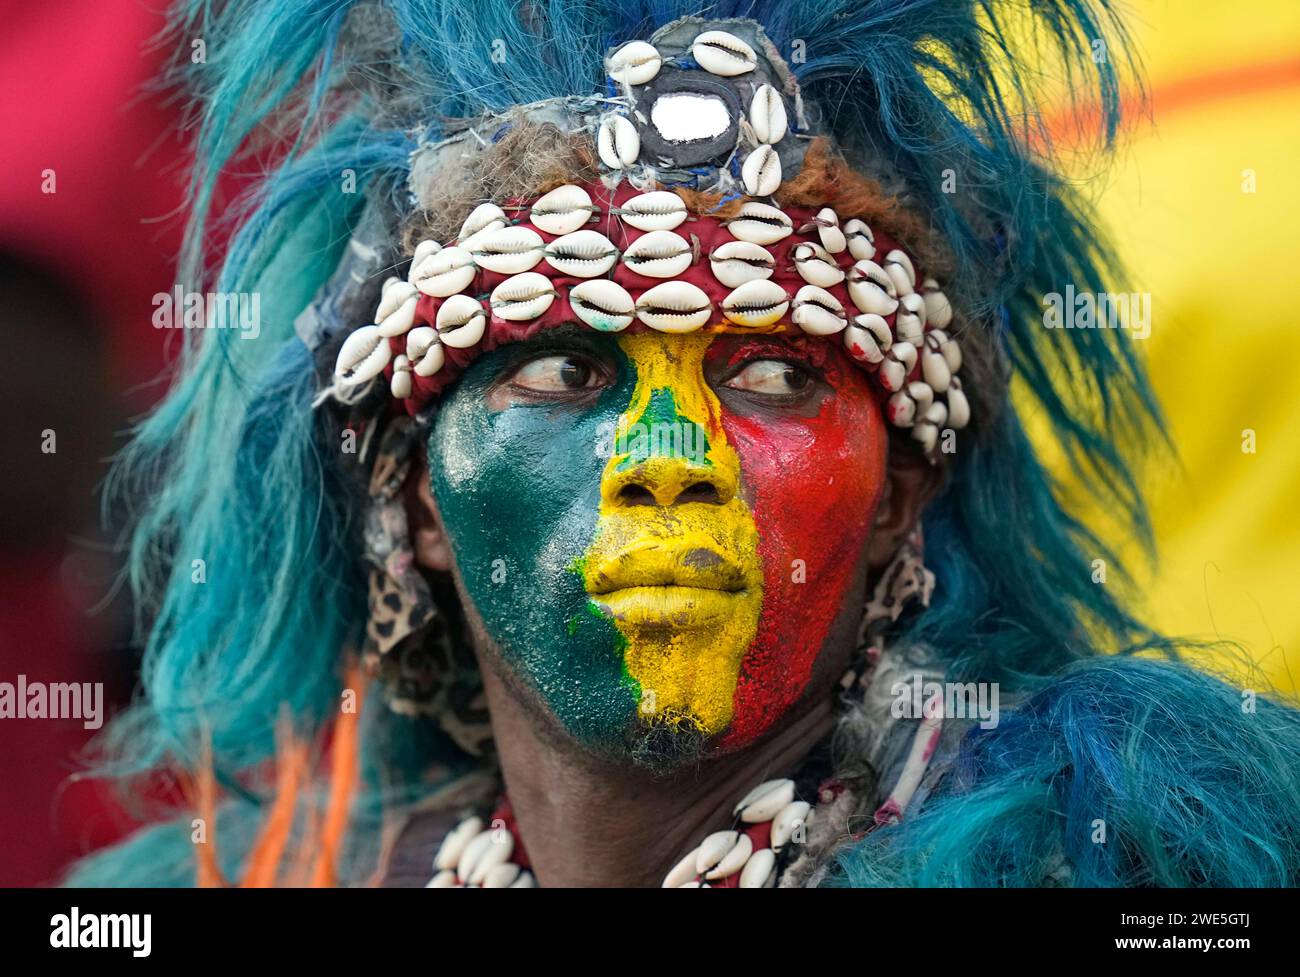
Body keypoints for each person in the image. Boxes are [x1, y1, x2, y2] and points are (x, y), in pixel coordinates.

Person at [69, 0, 1300, 888]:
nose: (670, 454)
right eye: (560, 370)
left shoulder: (1124, 864)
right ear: (420, 504)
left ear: (897, 496)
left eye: (772, 375)